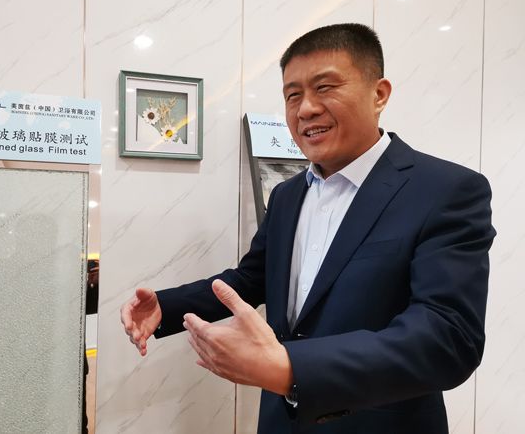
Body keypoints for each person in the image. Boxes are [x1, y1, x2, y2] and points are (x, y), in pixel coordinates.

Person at [121, 23, 495, 434]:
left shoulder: (444, 189)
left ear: (379, 94)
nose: (306, 110)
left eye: (325, 87)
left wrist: (290, 367)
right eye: (292, 95)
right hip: (282, 421)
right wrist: (167, 307)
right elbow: (252, 279)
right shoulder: (287, 195)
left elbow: (447, 337)